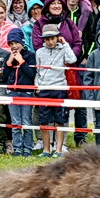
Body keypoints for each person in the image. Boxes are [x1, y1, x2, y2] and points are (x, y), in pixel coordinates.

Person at [33, 24, 76, 157]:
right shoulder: (39, 52)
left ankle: (58, 149)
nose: (51, 42)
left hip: (59, 89)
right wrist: (37, 86)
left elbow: (72, 59)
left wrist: (66, 44)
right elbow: (38, 71)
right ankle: (46, 149)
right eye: (47, 39)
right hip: (44, 89)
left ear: (58, 37)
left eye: (53, 38)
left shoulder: (63, 49)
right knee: (44, 121)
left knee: (60, 120)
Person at [0, 31, 37, 156]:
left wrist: (21, 62)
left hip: (26, 92)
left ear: (22, 42)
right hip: (12, 92)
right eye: (11, 44)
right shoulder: (8, 57)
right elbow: (4, 76)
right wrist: (9, 63)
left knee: (26, 121)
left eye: (16, 43)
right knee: (15, 122)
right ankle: (17, 148)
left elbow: (32, 74)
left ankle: (28, 148)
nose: (14, 46)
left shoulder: (30, 55)